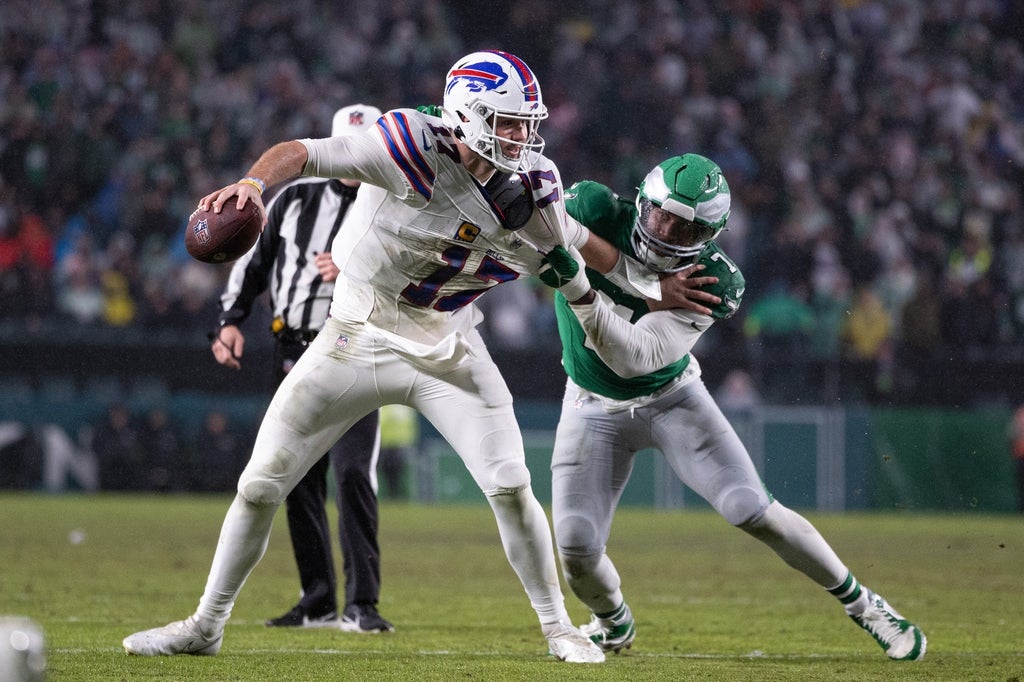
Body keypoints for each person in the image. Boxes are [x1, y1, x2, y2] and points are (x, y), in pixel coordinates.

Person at [121, 50, 653, 664]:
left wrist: (621, 293)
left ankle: (559, 627)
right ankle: (205, 625)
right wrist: (252, 185)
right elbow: (303, 151)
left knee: (510, 484)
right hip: (354, 335)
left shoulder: (531, 186)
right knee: (260, 483)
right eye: (507, 122)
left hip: (447, 346)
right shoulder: (405, 144)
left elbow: (567, 255)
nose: (521, 136)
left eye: (525, 122)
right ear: (469, 115)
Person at [536, 154, 927, 660]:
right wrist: (645, 285)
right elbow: (545, 233)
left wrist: (581, 283)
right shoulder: (592, 204)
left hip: (670, 398)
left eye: (684, 228)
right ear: (643, 199)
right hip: (590, 402)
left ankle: (866, 605)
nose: (666, 231)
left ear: (710, 236)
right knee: (575, 549)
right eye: (661, 215)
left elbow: (634, 356)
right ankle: (613, 623)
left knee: (752, 509)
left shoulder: (715, 280)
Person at [209, 104, 393, 633]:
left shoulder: (396, 203)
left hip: (359, 350)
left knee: (355, 473)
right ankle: (317, 599)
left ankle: (363, 603)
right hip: (293, 349)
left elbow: (421, 269)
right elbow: (253, 260)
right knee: (294, 477)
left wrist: (360, 264)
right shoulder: (292, 199)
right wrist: (229, 320)